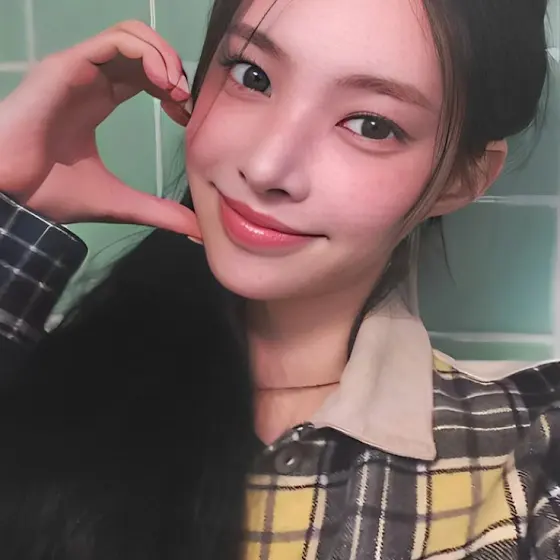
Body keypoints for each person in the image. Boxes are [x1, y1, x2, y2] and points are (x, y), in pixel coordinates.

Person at [0, 0, 557, 558]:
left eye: (371, 125)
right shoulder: (43, 373)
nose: (267, 167)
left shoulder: (527, 453)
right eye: (253, 76)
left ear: (459, 179)